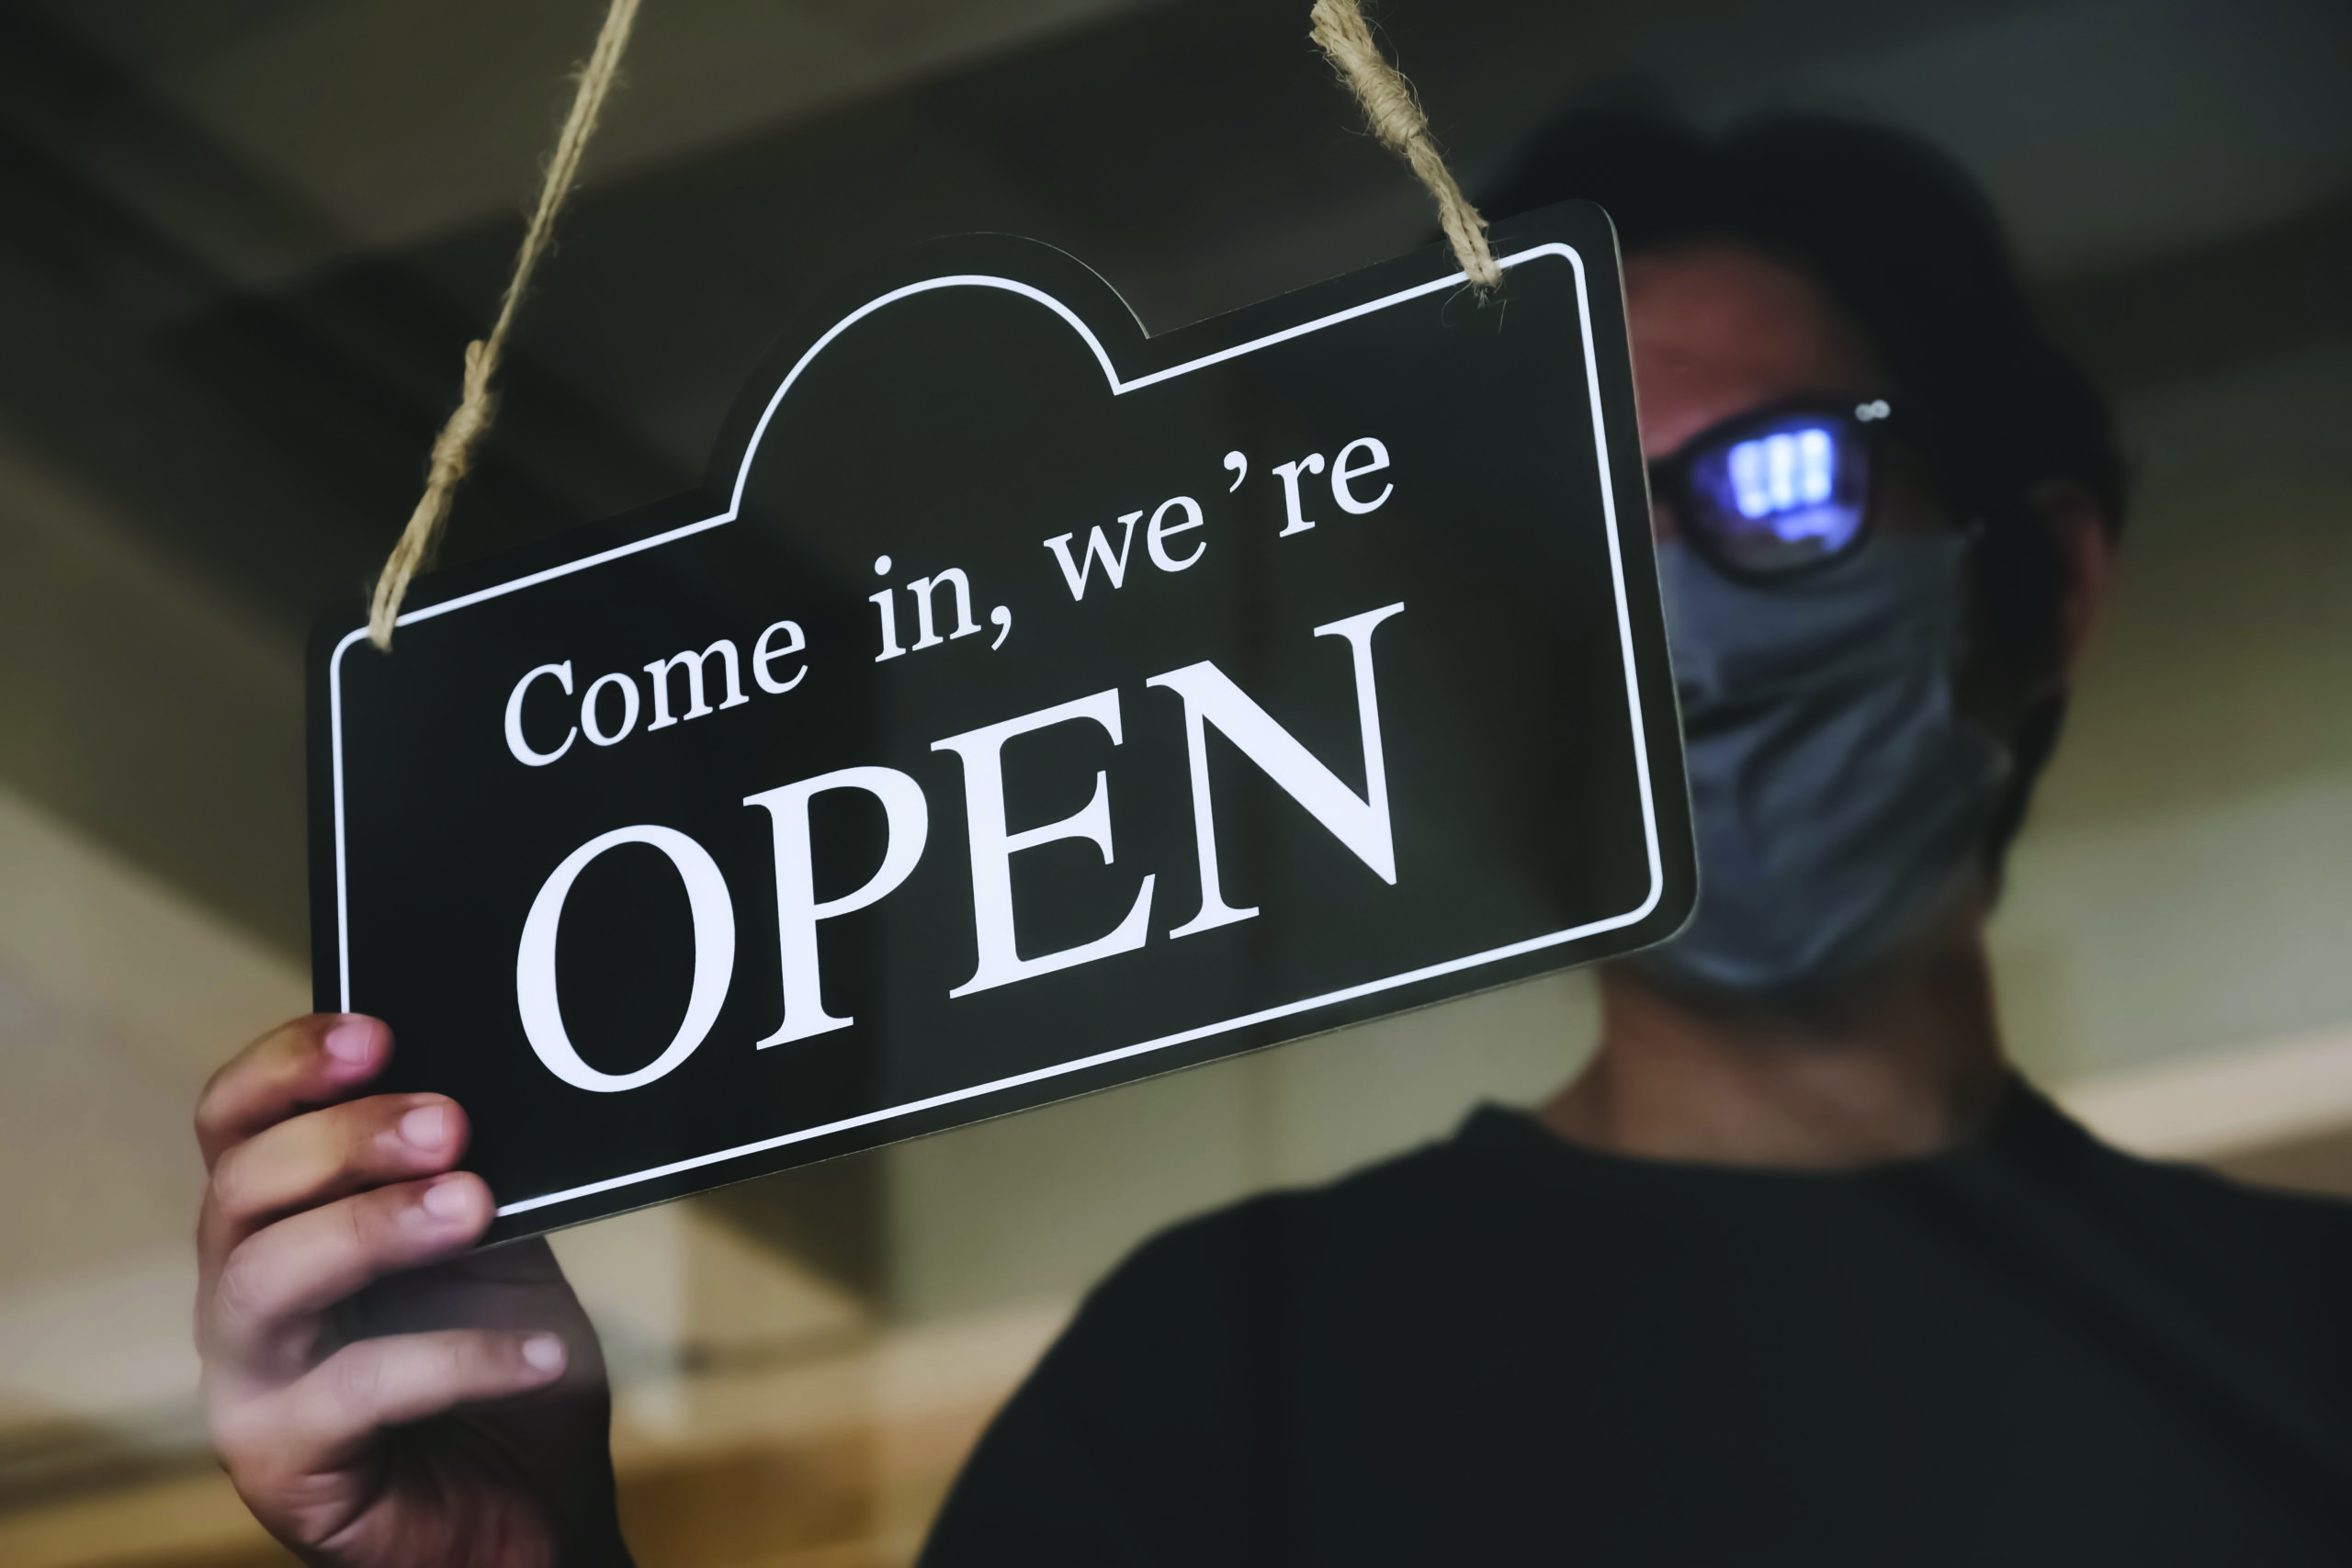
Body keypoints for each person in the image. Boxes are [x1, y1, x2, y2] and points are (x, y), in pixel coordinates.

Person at [193, 112, 2352, 1565]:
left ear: (2034, 583)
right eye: (1562, 526)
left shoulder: (2307, 1341)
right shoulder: (1226, 1371)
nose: (1659, 617)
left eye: (1772, 483)